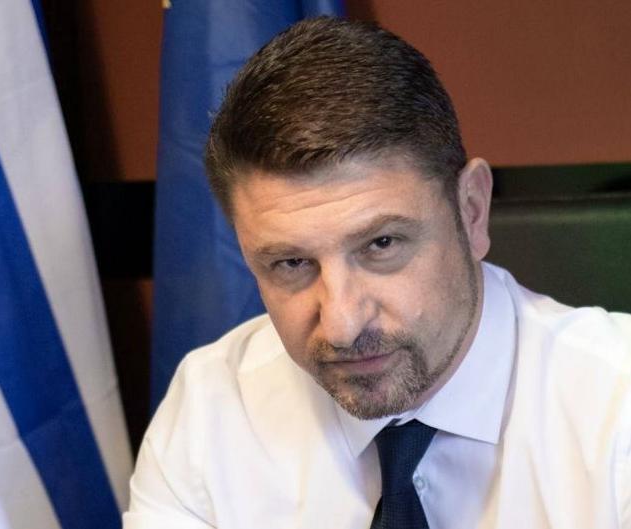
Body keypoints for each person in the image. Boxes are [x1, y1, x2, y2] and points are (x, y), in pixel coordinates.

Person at [123, 17, 631, 529]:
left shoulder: (617, 408)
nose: (342, 326)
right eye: (291, 263)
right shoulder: (211, 407)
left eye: (381, 244)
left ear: (472, 211)